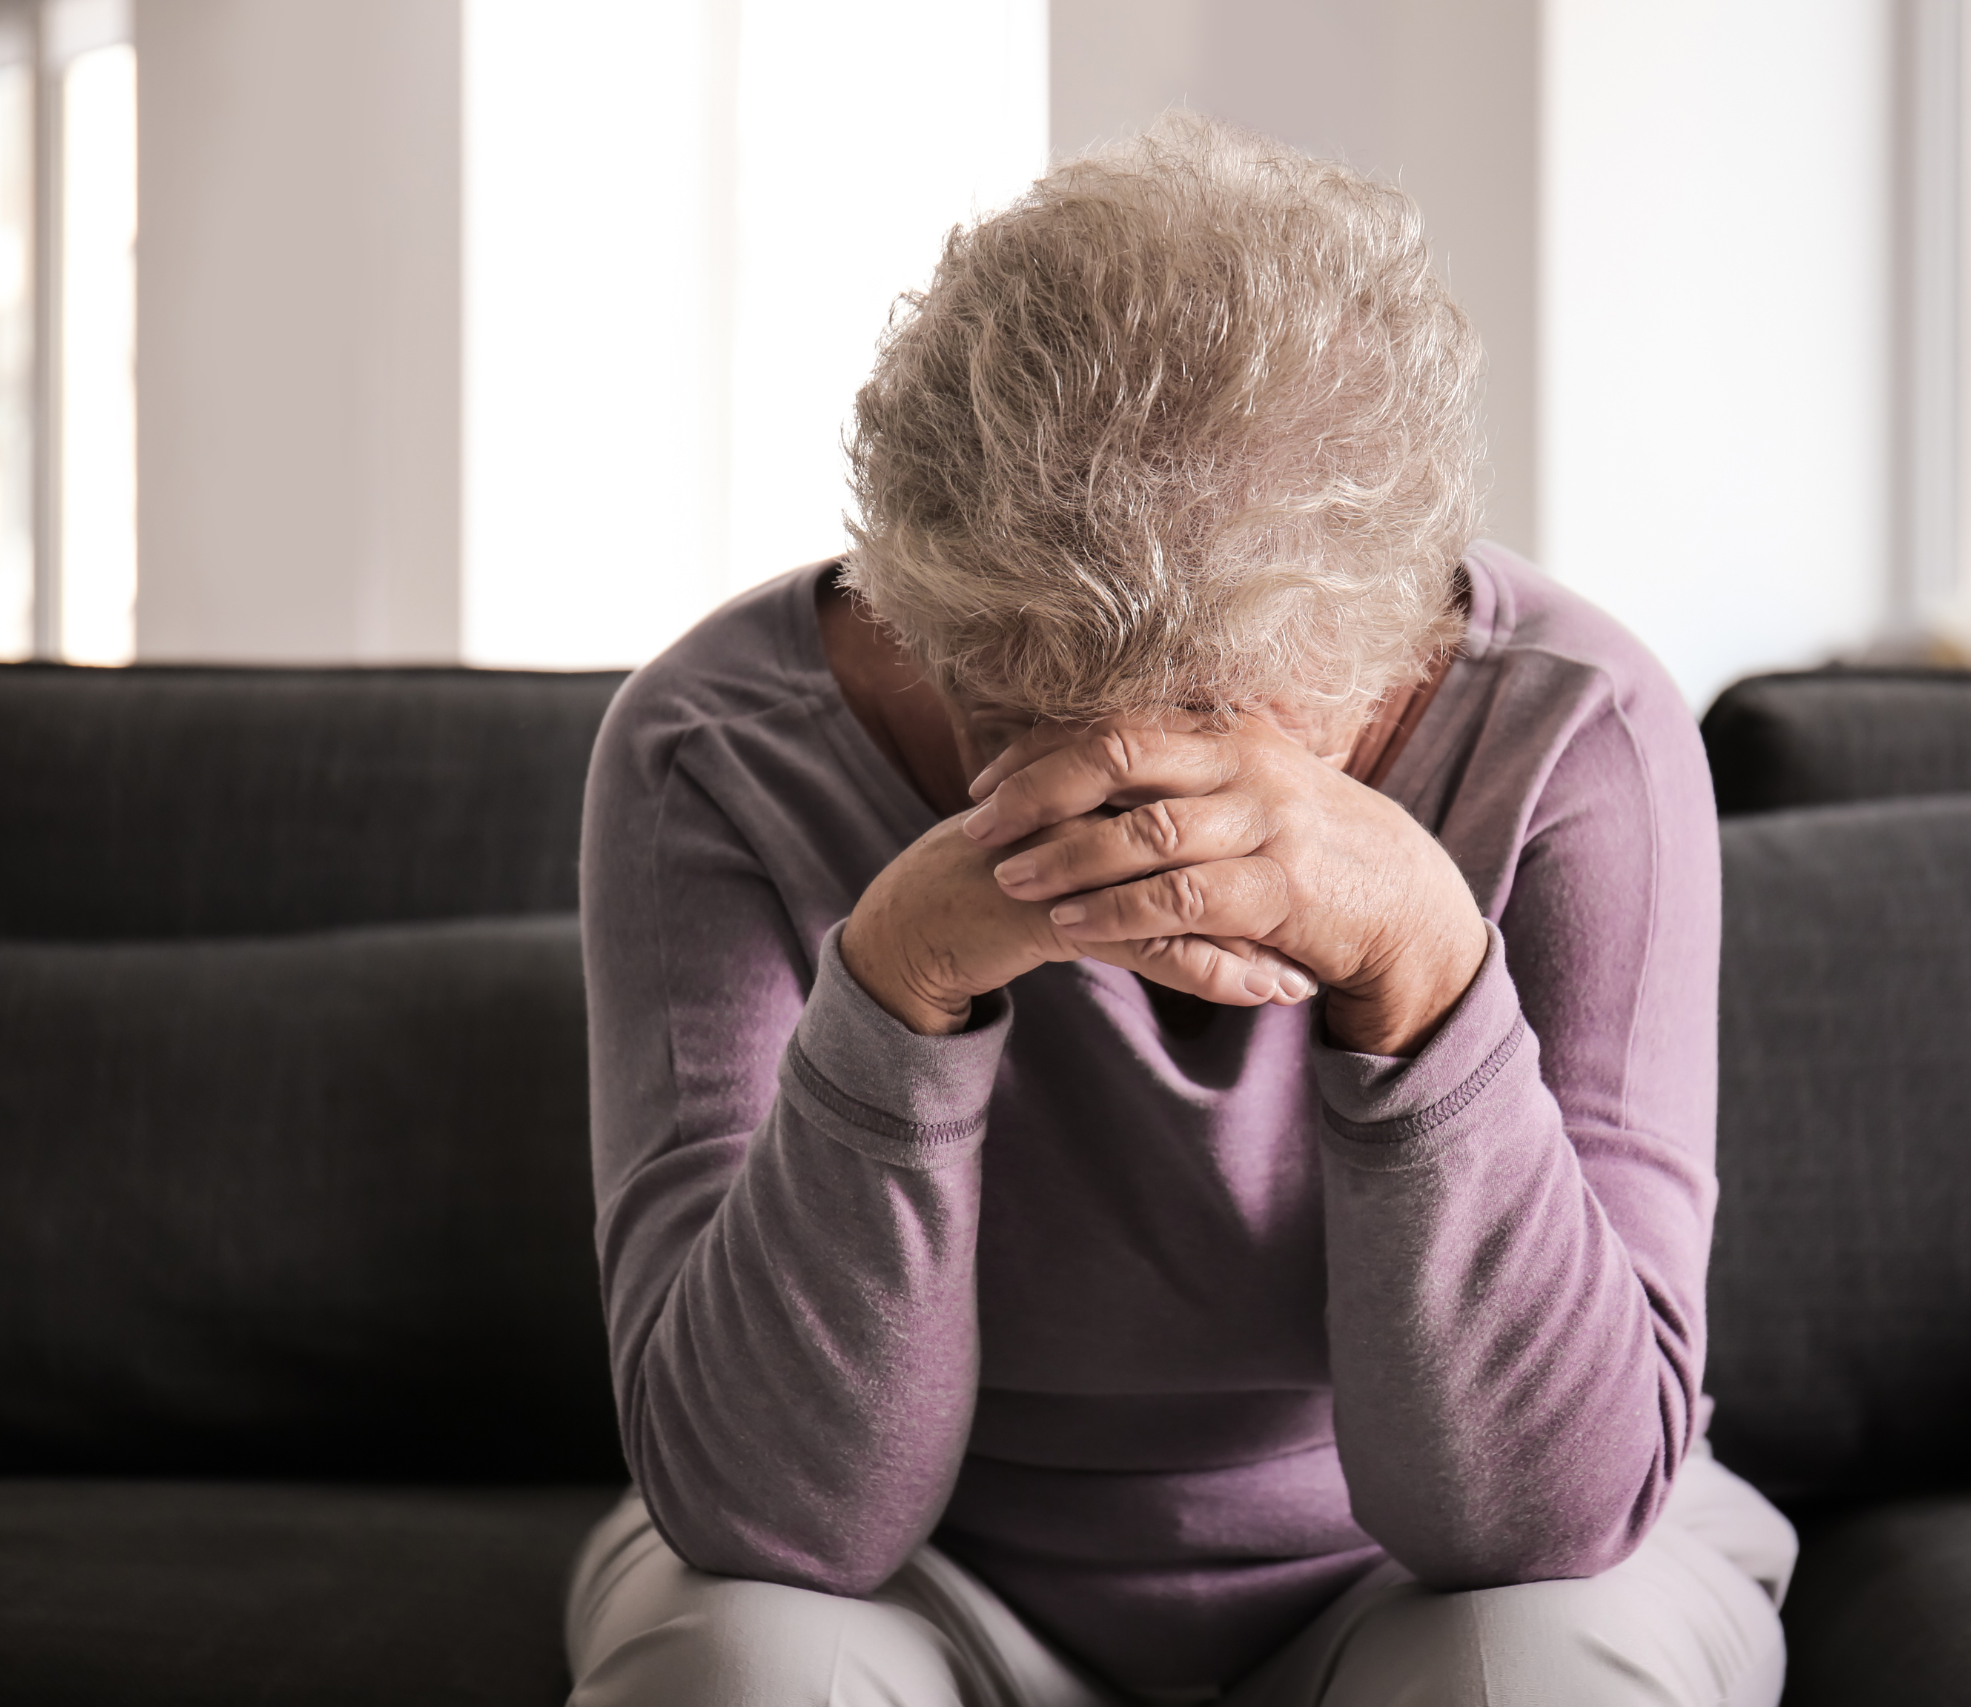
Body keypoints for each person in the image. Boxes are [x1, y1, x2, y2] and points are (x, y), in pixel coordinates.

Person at [568, 113, 1796, 1707]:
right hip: (920, 1567)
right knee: (734, 1664)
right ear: (916, 594)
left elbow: (1540, 1516)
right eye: (1011, 721)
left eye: (1220, 739)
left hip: (1430, 1571)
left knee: (1542, 1674)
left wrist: (1421, 962)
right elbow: (775, 1513)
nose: (1128, 820)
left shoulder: (1579, 733)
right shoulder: (711, 751)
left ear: (1395, 642)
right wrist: (894, 984)